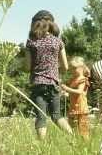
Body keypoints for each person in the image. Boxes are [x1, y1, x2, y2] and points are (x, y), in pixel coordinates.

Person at [25, 10, 72, 140]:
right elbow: (66, 67)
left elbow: (27, 67)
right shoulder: (58, 41)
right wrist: (54, 72)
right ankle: (74, 138)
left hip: (38, 84)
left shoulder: (31, 42)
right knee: (57, 116)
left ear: (35, 23)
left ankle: (42, 148)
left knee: (41, 116)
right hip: (54, 84)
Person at [60, 56, 91, 140]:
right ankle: (74, 145)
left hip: (81, 109)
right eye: (71, 68)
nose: (72, 71)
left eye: (74, 68)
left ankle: (86, 146)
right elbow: (72, 93)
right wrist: (65, 93)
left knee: (83, 131)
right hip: (73, 109)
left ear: (81, 68)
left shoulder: (83, 79)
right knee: (71, 130)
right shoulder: (72, 79)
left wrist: (67, 89)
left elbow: (80, 92)